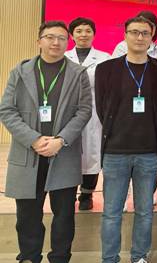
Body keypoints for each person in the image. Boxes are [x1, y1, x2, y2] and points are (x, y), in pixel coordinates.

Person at [0, 20, 92, 263]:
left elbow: (84, 111)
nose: (55, 42)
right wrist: (34, 139)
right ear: (39, 41)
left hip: (63, 153)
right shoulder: (20, 72)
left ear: (67, 42)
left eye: (61, 38)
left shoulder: (78, 73)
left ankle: (60, 257)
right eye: (50, 37)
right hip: (28, 152)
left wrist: (60, 140)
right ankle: (29, 256)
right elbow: (7, 110)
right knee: (27, 215)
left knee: (64, 216)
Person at [95, 15, 157, 263]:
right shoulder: (106, 69)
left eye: (145, 33)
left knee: (145, 212)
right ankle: (110, 258)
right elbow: (102, 108)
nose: (140, 37)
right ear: (125, 35)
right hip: (115, 151)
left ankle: (139, 257)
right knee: (111, 213)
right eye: (134, 32)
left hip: (148, 152)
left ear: (152, 37)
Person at [65, 17, 110, 211]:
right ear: (72, 35)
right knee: (68, 153)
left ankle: (86, 194)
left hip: (94, 113)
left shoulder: (104, 57)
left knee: (92, 153)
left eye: (88, 31)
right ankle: (67, 193)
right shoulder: (63, 57)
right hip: (67, 112)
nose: (83, 34)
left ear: (94, 34)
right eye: (79, 31)